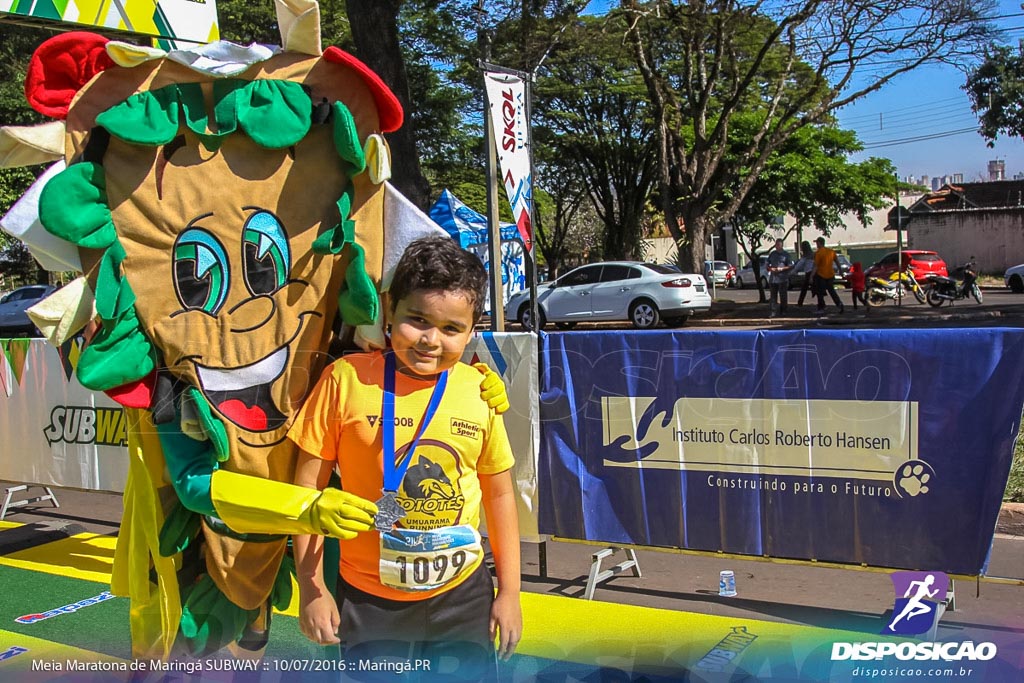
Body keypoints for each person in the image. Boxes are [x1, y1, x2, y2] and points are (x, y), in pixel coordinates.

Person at [288, 235, 521, 678]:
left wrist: (510, 593)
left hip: (463, 594)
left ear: (472, 331)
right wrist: (312, 587)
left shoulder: (478, 390)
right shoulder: (346, 380)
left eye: (452, 329)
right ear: (390, 311)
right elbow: (307, 495)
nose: (432, 340)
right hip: (370, 597)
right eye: (417, 320)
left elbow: (500, 496)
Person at [812, 236, 845, 315]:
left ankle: (821, 307)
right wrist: (840, 271)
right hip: (830, 274)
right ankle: (839, 304)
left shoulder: (818, 253)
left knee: (819, 292)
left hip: (821, 275)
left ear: (819, 243)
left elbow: (815, 266)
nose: (816, 244)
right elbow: (837, 262)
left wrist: (811, 276)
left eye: (817, 243)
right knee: (831, 291)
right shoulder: (831, 251)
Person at [766, 238, 793, 318]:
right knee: (773, 296)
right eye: (776, 245)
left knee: (783, 295)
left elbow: (790, 265)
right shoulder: (772, 254)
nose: (777, 246)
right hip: (773, 278)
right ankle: (773, 312)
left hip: (782, 278)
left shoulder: (786, 255)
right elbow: (767, 263)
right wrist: (770, 268)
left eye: (778, 245)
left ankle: (783, 311)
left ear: (781, 245)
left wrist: (781, 269)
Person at [793, 241, 816, 306]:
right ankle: (821, 302)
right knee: (815, 288)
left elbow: (800, 265)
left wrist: (794, 271)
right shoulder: (813, 254)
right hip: (815, 272)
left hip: (809, 273)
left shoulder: (805, 256)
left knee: (804, 289)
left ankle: (800, 303)